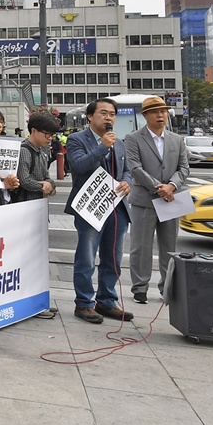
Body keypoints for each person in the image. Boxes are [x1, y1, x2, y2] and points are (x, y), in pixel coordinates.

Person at [65, 99, 133, 325]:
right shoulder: (77, 139)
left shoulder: (120, 143)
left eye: (112, 114)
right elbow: (78, 166)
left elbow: (128, 171)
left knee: (113, 257)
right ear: (90, 117)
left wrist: (126, 182)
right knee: (86, 256)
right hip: (90, 207)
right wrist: (102, 146)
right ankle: (84, 303)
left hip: (117, 208)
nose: (109, 118)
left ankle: (107, 300)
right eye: (103, 113)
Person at [125, 97, 191, 305]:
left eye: (163, 111)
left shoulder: (176, 139)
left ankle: (168, 287)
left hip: (171, 199)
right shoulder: (133, 138)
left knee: (170, 247)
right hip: (144, 200)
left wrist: (171, 186)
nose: (160, 115)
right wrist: (159, 188)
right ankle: (140, 287)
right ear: (145, 116)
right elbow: (135, 168)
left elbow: (184, 168)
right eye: (154, 112)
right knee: (140, 247)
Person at [13, 113, 59, 203]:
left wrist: (50, 185)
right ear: (33, 130)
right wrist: (43, 186)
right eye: (47, 134)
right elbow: (25, 181)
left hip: (39, 203)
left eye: (52, 135)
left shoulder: (41, 151)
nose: (50, 138)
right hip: (26, 204)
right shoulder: (24, 150)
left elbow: (46, 177)